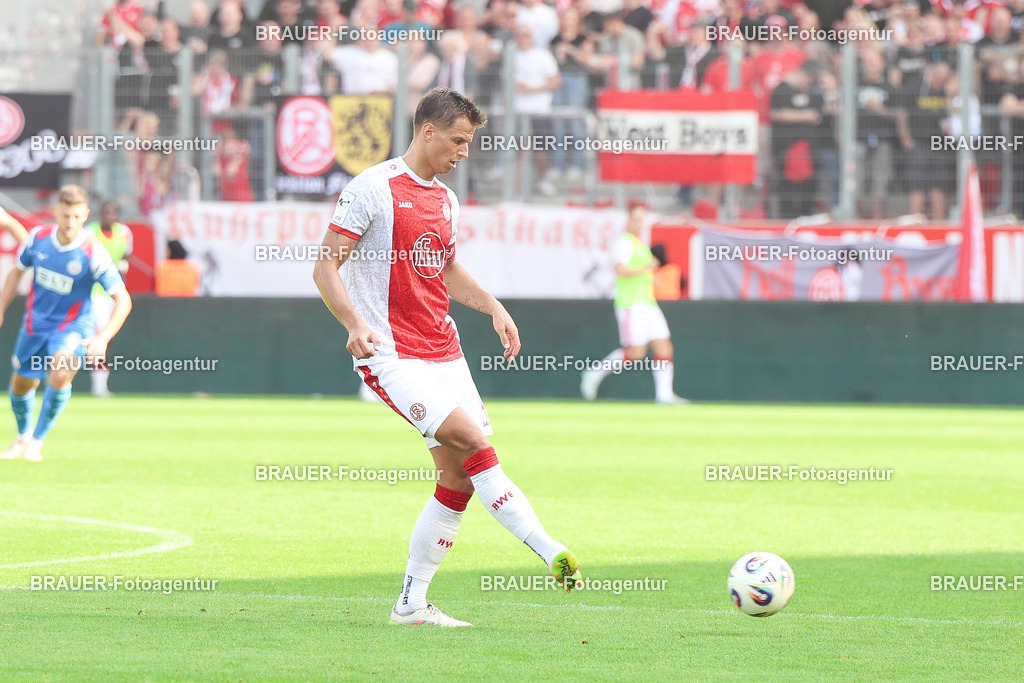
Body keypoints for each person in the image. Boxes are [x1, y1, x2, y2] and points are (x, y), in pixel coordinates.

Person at [313, 87, 581, 628]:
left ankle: (411, 603)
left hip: (445, 350)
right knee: (476, 444)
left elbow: (447, 268)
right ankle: (549, 548)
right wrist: (354, 324)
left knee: (457, 477)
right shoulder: (372, 189)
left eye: (470, 142)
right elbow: (325, 266)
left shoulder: (445, 199)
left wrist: (492, 306)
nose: (464, 151)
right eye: (458, 140)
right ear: (428, 131)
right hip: (391, 355)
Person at [0, 186, 132, 462]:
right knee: (22, 384)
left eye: (76, 216)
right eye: (65, 215)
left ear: (85, 215)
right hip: (35, 325)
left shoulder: (93, 253)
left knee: (59, 374)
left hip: (72, 329)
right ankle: (22, 437)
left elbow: (123, 300)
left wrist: (104, 336)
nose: (70, 222)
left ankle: (37, 441)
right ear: (56, 212)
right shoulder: (38, 238)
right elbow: (16, 273)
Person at [580, 202, 688, 405]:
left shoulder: (640, 244)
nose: (640, 223)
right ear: (628, 220)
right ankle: (595, 373)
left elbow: (640, 272)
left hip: (648, 303)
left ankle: (664, 395)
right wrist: (646, 268)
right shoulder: (624, 242)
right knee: (635, 353)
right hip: (631, 304)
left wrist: (650, 278)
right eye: (637, 219)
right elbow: (620, 270)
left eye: (642, 219)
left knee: (663, 346)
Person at [85, 201, 133, 398]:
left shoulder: (125, 233)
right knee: (101, 331)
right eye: (105, 212)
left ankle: (100, 382)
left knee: (107, 336)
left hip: (113, 290)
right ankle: (97, 385)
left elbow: (126, 257)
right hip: (94, 290)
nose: (108, 216)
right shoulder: (90, 232)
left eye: (113, 212)